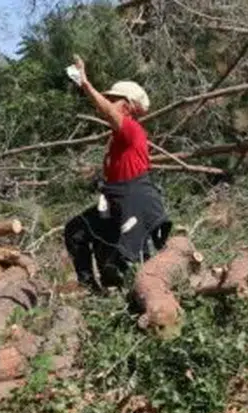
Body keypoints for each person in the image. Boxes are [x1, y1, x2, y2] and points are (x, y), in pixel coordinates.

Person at [63, 55, 170, 290]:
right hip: (115, 202)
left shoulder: (132, 129)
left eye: (114, 99)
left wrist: (85, 84)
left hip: (135, 202)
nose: (109, 103)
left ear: (129, 105)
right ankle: (90, 290)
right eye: (108, 99)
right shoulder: (119, 137)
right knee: (76, 232)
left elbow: (109, 114)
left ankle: (143, 298)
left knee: (124, 265)